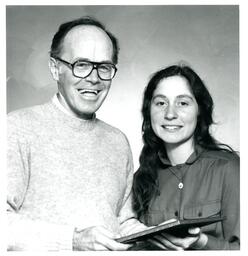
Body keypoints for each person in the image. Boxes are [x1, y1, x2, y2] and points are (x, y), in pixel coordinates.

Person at [7, 16, 149, 251]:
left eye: (103, 67)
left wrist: (161, 236)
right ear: (55, 68)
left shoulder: (118, 141)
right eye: (81, 65)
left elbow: (122, 223)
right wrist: (73, 240)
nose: (93, 78)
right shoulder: (16, 128)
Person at [132, 64, 240, 250]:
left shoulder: (228, 169)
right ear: (148, 111)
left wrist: (202, 242)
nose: (170, 114)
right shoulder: (141, 178)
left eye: (182, 103)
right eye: (160, 103)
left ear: (199, 110)